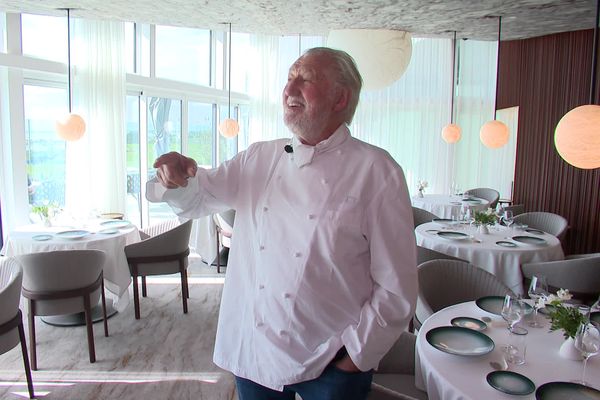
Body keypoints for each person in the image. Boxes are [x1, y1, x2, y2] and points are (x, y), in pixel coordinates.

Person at [148, 47, 417, 400]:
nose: (289, 89)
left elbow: (396, 287)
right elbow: (199, 198)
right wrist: (177, 179)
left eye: (306, 79)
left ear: (340, 99)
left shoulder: (377, 172)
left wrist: (355, 355)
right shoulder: (259, 157)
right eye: (290, 77)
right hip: (256, 352)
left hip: (332, 361)